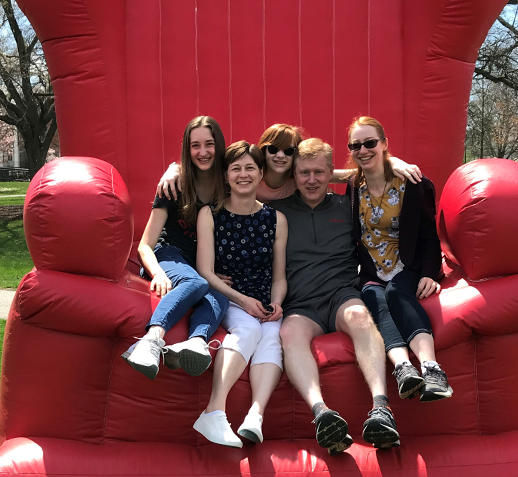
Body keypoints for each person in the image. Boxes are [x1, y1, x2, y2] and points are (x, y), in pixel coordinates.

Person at [271, 138, 401, 454]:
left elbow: (390, 208)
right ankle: (322, 413)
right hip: (300, 304)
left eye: (319, 172)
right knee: (288, 332)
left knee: (359, 316)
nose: (312, 180)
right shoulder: (276, 212)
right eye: (304, 173)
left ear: (332, 172)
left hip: (341, 295)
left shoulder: (349, 206)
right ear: (294, 175)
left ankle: (382, 407)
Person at [345, 117, 453, 403]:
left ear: (384, 144)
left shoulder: (412, 182)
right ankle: (404, 368)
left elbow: (430, 234)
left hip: (408, 264)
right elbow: (316, 172)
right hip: (371, 268)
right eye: (355, 145)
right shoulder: (355, 186)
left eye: (370, 143)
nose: (363, 150)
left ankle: (433, 369)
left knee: (396, 292)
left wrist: (430, 272)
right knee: (372, 297)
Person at [193, 141, 288, 448]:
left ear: (261, 173)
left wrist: (277, 303)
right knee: (247, 328)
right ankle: (214, 410)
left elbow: (279, 276)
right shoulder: (210, 214)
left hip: (264, 301)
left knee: (273, 336)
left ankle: (255, 416)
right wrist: (242, 300)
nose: (243, 175)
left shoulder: (276, 219)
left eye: (250, 168)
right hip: (229, 297)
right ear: (226, 175)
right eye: (236, 168)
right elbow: (205, 271)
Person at [122, 116, 230, 379]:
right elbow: (145, 245)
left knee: (220, 297)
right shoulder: (173, 185)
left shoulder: (229, 186)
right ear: (187, 148)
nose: (202, 152)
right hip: (168, 256)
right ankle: (150, 340)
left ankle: (194, 344)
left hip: (200, 265)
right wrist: (158, 273)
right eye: (195, 146)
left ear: (219, 146)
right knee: (196, 283)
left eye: (209, 144)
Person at [157, 123, 424, 203]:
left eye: (288, 150)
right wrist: (175, 168)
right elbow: (209, 163)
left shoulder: (298, 178)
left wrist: (392, 162)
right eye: (272, 149)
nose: (280, 155)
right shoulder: (247, 173)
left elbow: (348, 174)